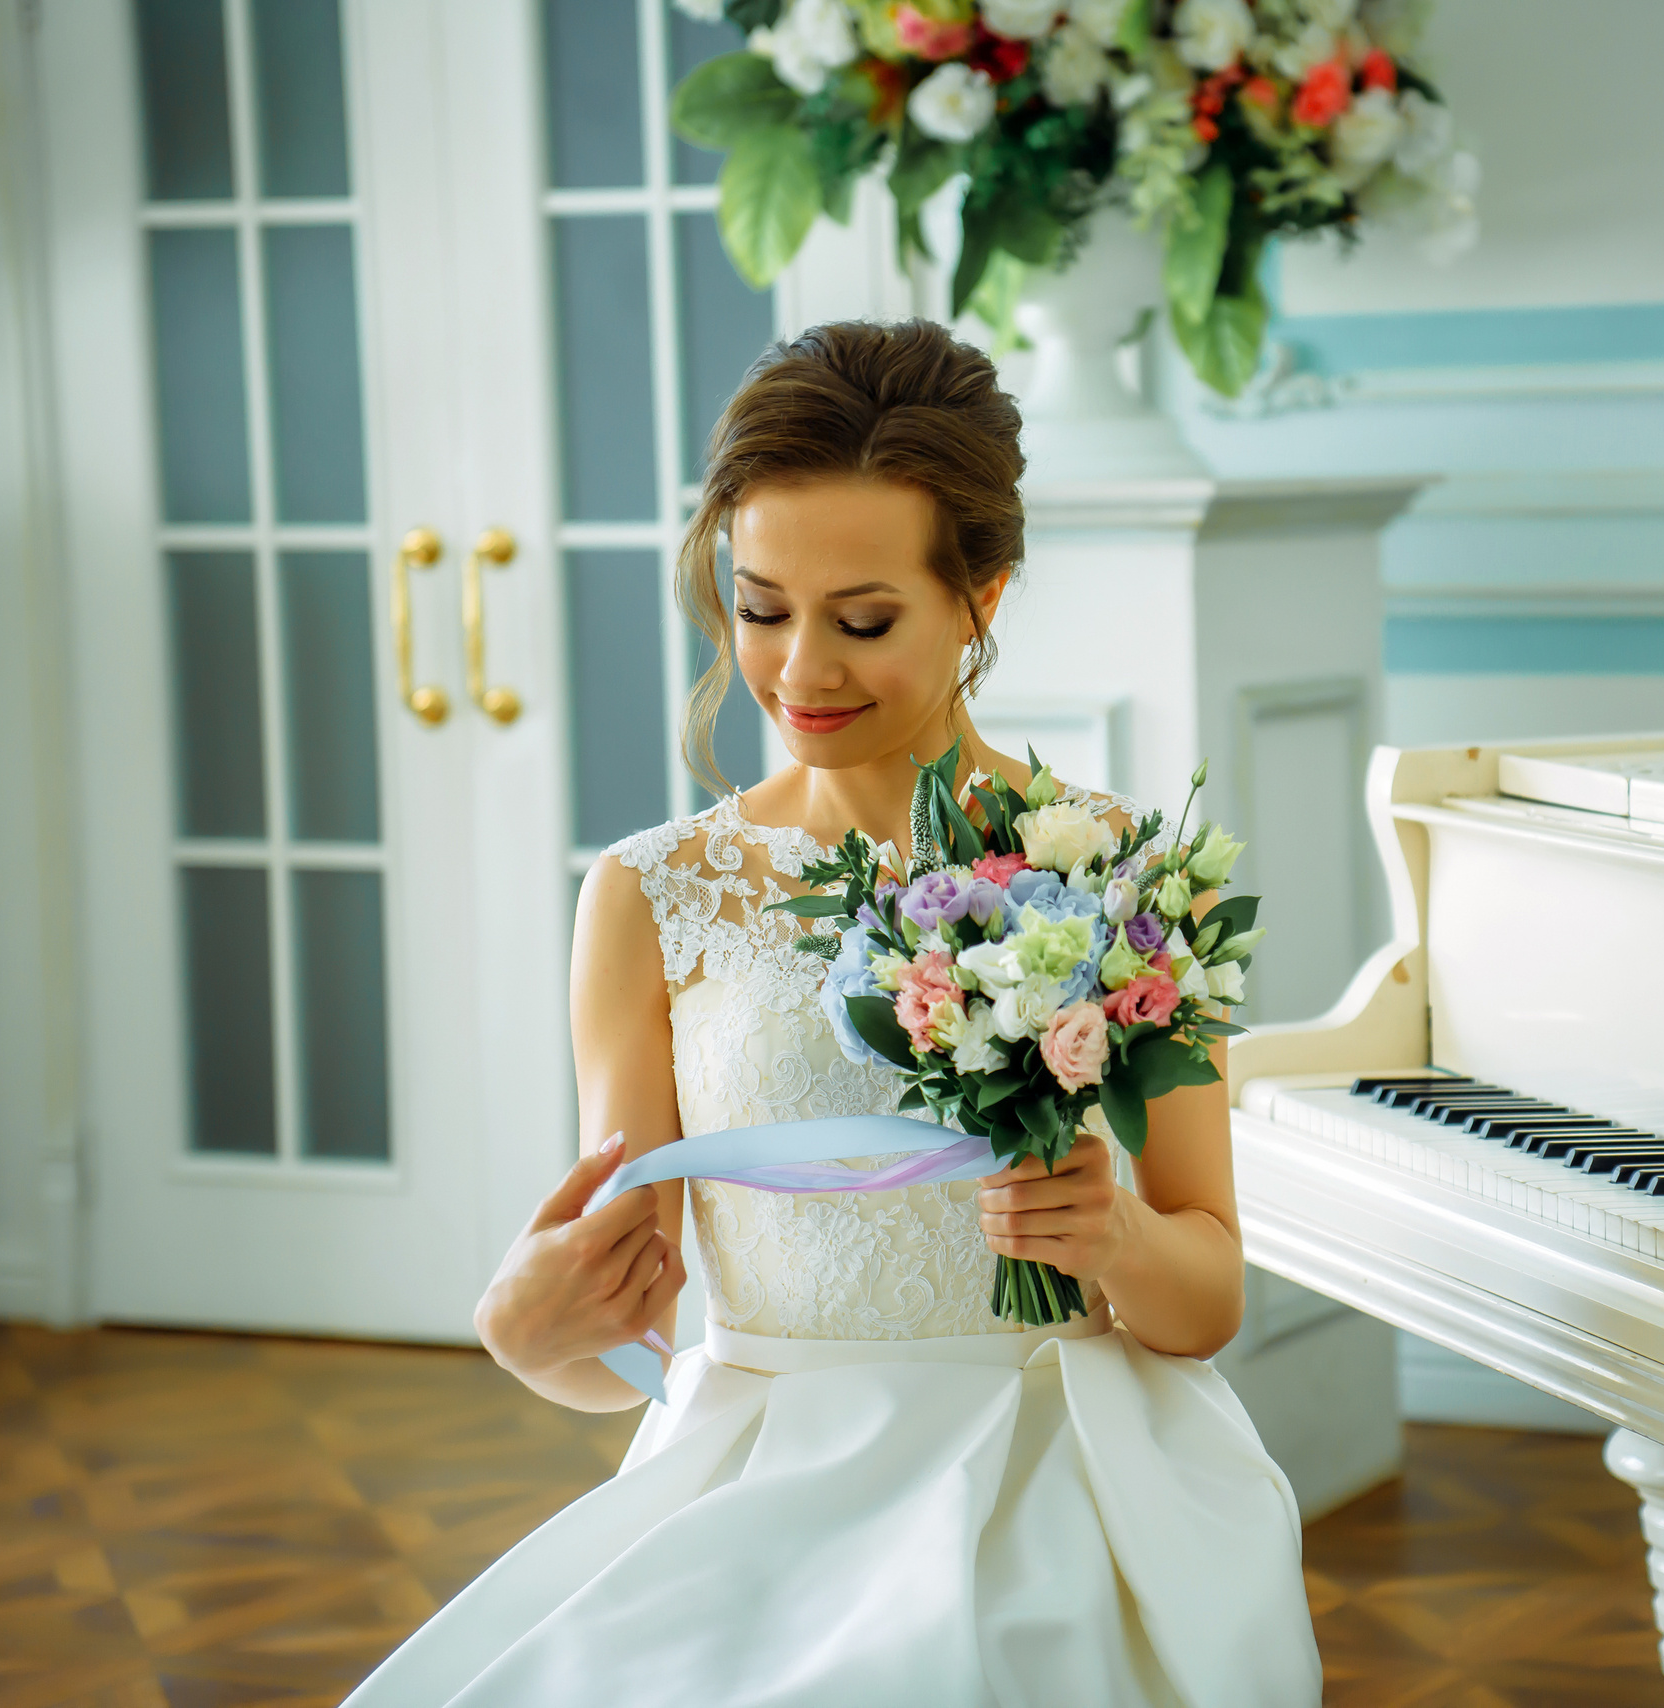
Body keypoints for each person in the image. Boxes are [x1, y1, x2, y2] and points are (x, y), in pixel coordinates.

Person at [343, 320, 1321, 1706]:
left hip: (1069, 1471)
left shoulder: (1127, 879)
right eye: (759, 609)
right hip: (762, 1476)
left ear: (980, 594)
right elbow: (626, 1336)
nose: (801, 672)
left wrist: (1114, 1236)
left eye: (864, 621)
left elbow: (1209, 1295)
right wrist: (527, 1334)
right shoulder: (649, 896)